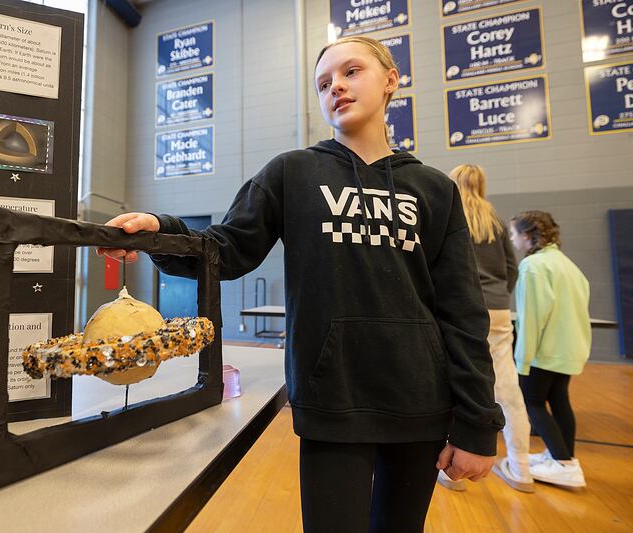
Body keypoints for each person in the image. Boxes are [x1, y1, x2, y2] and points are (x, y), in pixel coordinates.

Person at [99, 36, 503, 532]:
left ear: (391, 81)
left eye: (351, 72)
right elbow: (225, 249)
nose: (337, 86)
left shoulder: (435, 189)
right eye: (324, 82)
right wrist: (161, 236)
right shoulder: (292, 173)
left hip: (419, 402)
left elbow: (463, 311)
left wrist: (478, 422)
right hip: (331, 399)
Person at [436, 164, 534, 493]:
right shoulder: (493, 218)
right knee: (508, 391)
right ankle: (521, 467)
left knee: (449, 384)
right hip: (497, 310)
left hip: (457, 310)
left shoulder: (447, 211)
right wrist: (497, 297)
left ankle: (449, 470)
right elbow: (510, 268)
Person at [510, 210, 590, 488]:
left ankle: (560, 462)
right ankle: (566, 459)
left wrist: (522, 360)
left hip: (544, 351)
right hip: (568, 350)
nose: (512, 239)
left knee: (532, 402)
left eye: (514, 233)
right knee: (558, 401)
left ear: (528, 236)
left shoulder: (532, 266)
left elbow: (532, 317)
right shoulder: (567, 264)